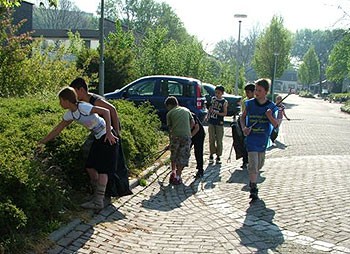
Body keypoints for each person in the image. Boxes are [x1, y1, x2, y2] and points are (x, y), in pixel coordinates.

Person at [38, 87, 118, 210]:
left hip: (107, 137)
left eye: (61, 101)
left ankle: (98, 202)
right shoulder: (70, 114)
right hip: (98, 137)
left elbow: (106, 112)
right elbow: (57, 129)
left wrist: (109, 132)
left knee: (103, 170)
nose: (60, 103)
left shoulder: (83, 107)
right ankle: (97, 196)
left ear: (66, 100)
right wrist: (43, 141)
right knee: (90, 166)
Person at [69, 77, 132, 202]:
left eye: (74, 92)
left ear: (81, 90)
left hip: (109, 133)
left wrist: (115, 132)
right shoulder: (84, 102)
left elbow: (112, 110)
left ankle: (102, 194)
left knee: (105, 165)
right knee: (94, 162)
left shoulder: (94, 100)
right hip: (99, 133)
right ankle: (99, 192)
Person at [240, 78, 278, 202]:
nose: (256, 92)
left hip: (262, 139)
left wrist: (269, 116)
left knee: (260, 164)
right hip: (251, 139)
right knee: (253, 164)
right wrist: (244, 127)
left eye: (259, 90)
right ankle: (253, 188)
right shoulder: (249, 103)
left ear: (266, 92)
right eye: (256, 89)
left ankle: (253, 179)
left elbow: (276, 124)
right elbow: (242, 117)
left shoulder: (271, 106)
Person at [165, 96, 194, 185]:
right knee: (183, 156)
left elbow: (170, 129)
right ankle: (178, 176)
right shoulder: (186, 110)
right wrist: (188, 131)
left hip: (175, 136)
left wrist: (170, 143)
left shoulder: (170, 113)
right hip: (186, 136)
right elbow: (193, 123)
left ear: (169, 105)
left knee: (174, 154)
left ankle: (173, 172)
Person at [206, 85, 228, 164]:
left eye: (218, 93)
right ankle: (211, 154)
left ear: (222, 93)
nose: (217, 94)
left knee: (219, 139)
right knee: (211, 139)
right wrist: (207, 116)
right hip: (212, 121)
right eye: (216, 92)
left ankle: (218, 156)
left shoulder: (224, 102)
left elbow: (225, 113)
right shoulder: (213, 99)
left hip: (219, 122)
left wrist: (216, 112)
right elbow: (210, 108)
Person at [239, 83, 255, 169]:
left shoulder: (257, 101)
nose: (247, 94)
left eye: (248, 92)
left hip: (254, 124)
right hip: (245, 123)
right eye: (246, 92)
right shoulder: (245, 101)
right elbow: (243, 114)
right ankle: (245, 160)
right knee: (244, 142)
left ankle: (252, 161)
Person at [190, 112, 205, 179]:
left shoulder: (191, 115)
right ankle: (179, 168)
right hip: (190, 133)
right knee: (185, 150)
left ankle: (200, 170)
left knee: (198, 152)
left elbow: (197, 128)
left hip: (199, 134)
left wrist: (189, 137)